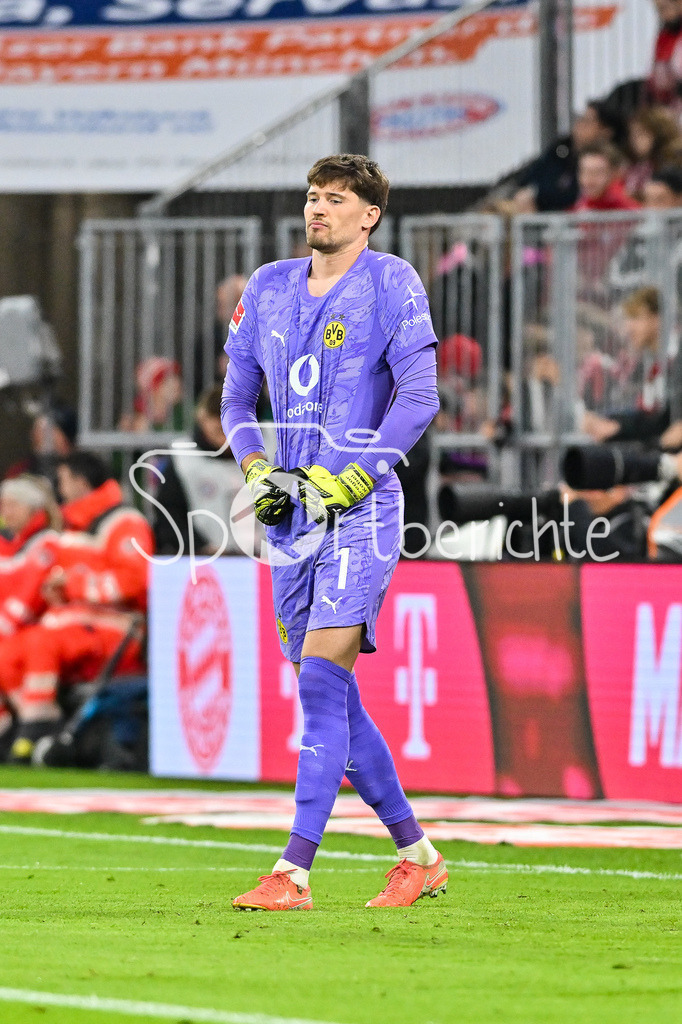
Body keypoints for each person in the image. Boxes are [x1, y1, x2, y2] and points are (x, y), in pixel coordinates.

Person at [222, 153, 445, 910]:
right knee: (333, 697)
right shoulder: (267, 286)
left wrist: (357, 475)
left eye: (337, 199)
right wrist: (258, 470)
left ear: (369, 216)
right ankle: (418, 855)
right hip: (291, 515)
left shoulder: (392, 283)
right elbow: (234, 400)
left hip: (363, 510)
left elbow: (419, 397)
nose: (318, 208)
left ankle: (293, 872)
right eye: (313, 196)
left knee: (320, 681)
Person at [0, 451, 153, 763]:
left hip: (114, 629)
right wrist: (56, 591)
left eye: (64, 480)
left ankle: (39, 724)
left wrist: (74, 586)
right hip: (75, 626)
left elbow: (136, 581)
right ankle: (19, 723)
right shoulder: (72, 526)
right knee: (8, 651)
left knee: (41, 642)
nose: (60, 488)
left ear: (81, 482)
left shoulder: (124, 522)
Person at [152, 384, 245, 557]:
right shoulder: (183, 459)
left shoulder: (267, 449)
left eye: (234, 431)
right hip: (204, 560)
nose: (227, 440)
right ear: (203, 419)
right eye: (219, 431)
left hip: (263, 559)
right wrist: (199, 546)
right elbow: (169, 514)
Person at [512, 100, 625, 213]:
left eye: (586, 122)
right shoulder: (560, 150)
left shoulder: (616, 164)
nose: (579, 126)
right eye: (579, 119)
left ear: (606, 131)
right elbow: (527, 179)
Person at [572, 143, 641, 212]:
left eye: (597, 172)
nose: (589, 179)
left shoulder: (626, 208)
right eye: (585, 171)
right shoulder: (580, 206)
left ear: (613, 174)